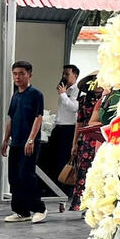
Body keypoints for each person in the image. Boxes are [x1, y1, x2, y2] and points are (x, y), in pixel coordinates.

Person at [1, 60, 46, 224]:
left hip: (29, 143)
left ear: (29, 75)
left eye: (21, 73)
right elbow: (11, 118)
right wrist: (5, 139)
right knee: (14, 178)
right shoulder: (15, 95)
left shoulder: (36, 94)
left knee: (26, 175)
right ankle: (21, 211)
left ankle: (39, 208)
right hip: (15, 142)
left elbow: (38, 117)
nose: (17, 77)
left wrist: (31, 139)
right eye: (15, 74)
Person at [68, 74, 106, 211]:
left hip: (101, 137)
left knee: (98, 170)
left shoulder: (106, 99)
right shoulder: (84, 100)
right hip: (87, 139)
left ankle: (95, 205)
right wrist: (74, 143)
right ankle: (79, 203)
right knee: (83, 171)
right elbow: (79, 122)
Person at [47, 64, 80, 192]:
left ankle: (64, 189)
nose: (64, 76)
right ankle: (53, 187)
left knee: (64, 158)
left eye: (67, 74)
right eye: (63, 74)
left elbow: (73, 108)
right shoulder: (65, 90)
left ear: (75, 75)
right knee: (53, 157)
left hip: (69, 128)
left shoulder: (78, 90)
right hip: (59, 126)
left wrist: (63, 95)